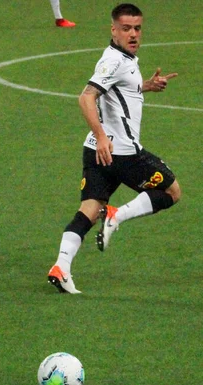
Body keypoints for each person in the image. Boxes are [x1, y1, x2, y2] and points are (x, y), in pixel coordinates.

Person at [48, 3, 179, 294]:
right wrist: (103, 134)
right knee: (172, 192)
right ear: (113, 30)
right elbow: (86, 98)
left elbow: (117, 91)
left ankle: (61, 266)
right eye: (126, 28)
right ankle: (116, 216)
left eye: (137, 28)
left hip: (95, 151)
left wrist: (144, 86)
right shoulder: (113, 62)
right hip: (121, 152)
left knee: (88, 211)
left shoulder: (124, 58)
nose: (133, 34)